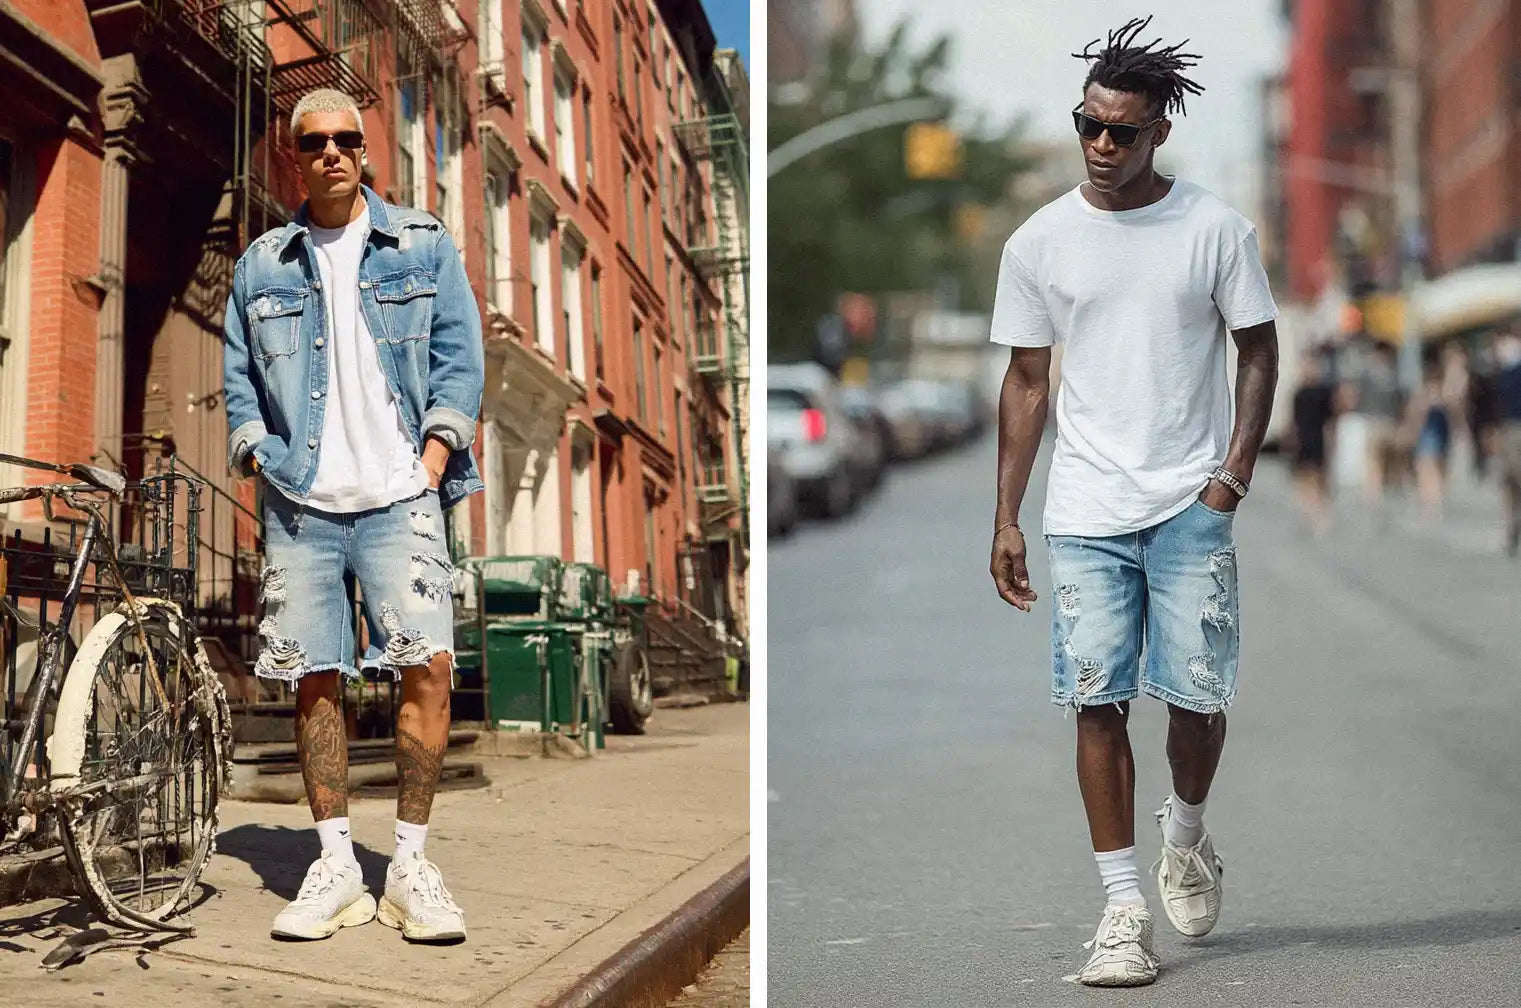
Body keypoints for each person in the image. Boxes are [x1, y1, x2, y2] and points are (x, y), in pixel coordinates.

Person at [987, 18, 1278, 987]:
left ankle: (1186, 831)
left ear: (1160, 132)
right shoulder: (1039, 243)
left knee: (1197, 699)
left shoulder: (1214, 230)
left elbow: (1258, 347)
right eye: (1089, 126)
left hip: (1191, 500)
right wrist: (1006, 517)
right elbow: (1027, 383)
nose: (1102, 146)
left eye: (1123, 131)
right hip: (1087, 508)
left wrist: (1231, 473)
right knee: (1095, 698)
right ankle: (1122, 909)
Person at [223, 88, 484, 942]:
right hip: (302, 501)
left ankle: (409, 865)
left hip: (400, 493)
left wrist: (433, 458)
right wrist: (258, 448)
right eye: (314, 142)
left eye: (346, 139)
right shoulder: (262, 264)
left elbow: (458, 357)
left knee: (428, 672)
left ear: (365, 151)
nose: (332, 152)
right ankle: (335, 864)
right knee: (313, 679)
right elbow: (237, 382)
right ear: (292, 158)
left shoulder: (422, 240)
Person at [1290, 352, 1336, 535]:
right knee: (1304, 475)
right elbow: (1293, 421)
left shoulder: (1323, 393)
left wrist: (1332, 441)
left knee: (1318, 476)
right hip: (1304, 438)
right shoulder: (1299, 393)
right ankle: (1309, 509)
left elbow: (1330, 420)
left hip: (1318, 437)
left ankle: (1318, 510)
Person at [1404, 361, 1451, 522]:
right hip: (1437, 437)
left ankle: (1430, 505)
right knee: (1436, 472)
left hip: (1427, 437)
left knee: (1427, 472)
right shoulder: (1443, 394)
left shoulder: (1425, 395)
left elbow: (1415, 415)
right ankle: (1434, 504)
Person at [1495, 330, 1521, 556]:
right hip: (1508, 430)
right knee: (1507, 483)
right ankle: (1511, 528)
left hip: (1515, 430)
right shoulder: (1504, 371)